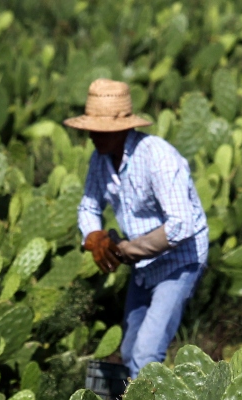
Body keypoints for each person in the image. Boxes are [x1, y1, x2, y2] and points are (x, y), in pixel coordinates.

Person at [66, 79, 209, 378]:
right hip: (143, 266)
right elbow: (89, 206)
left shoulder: (157, 156)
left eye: (100, 129)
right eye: (90, 128)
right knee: (130, 352)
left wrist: (126, 249)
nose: (92, 135)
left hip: (180, 261)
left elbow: (181, 224)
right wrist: (94, 236)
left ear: (122, 129)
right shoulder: (100, 159)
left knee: (145, 355)